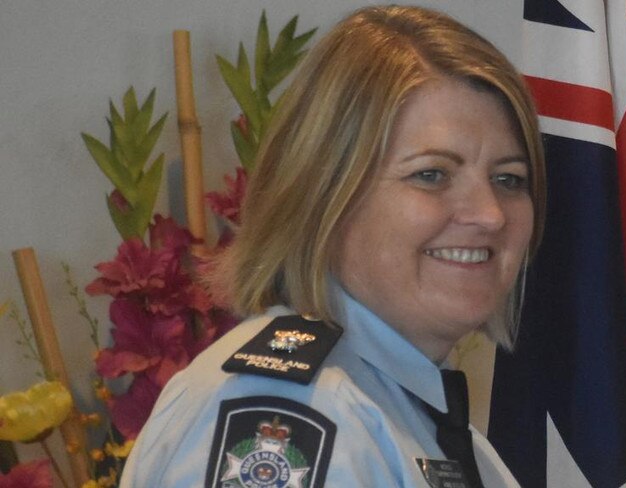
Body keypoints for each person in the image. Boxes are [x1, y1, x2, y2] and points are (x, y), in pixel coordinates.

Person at [120, 5, 545, 487]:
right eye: (431, 175)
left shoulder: (403, 410)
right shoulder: (292, 413)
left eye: (509, 179)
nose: (490, 214)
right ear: (324, 193)